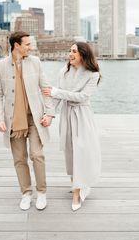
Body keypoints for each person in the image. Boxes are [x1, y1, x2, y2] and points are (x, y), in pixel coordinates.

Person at [0, 31, 54, 211]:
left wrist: (49, 113)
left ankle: (41, 193)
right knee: (19, 159)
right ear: (16, 45)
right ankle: (26, 193)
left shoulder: (35, 62)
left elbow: (45, 88)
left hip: (35, 117)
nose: (30, 47)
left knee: (37, 155)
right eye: (27, 44)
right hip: (13, 119)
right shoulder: (1, 66)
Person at [42, 42, 101, 211]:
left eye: (74, 51)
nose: (70, 54)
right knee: (70, 152)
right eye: (70, 51)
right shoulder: (64, 71)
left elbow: (82, 97)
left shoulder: (93, 74)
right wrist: (49, 115)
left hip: (82, 116)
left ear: (83, 54)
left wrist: (55, 92)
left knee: (81, 152)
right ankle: (77, 184)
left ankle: (77, 193)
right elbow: (57, 98)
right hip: (67, 115)